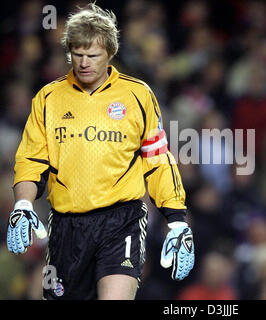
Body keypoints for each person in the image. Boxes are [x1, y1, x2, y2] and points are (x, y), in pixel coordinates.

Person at [6, 3, 194, 300]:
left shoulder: (138, 95)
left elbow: (157, 160)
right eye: (77, 55)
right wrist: (23, 205)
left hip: (122, 221)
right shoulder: (48, 98)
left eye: (92, 55)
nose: (83, 63)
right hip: (67, 226)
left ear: (110, 53)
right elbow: (31, 160)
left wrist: (177, 219)